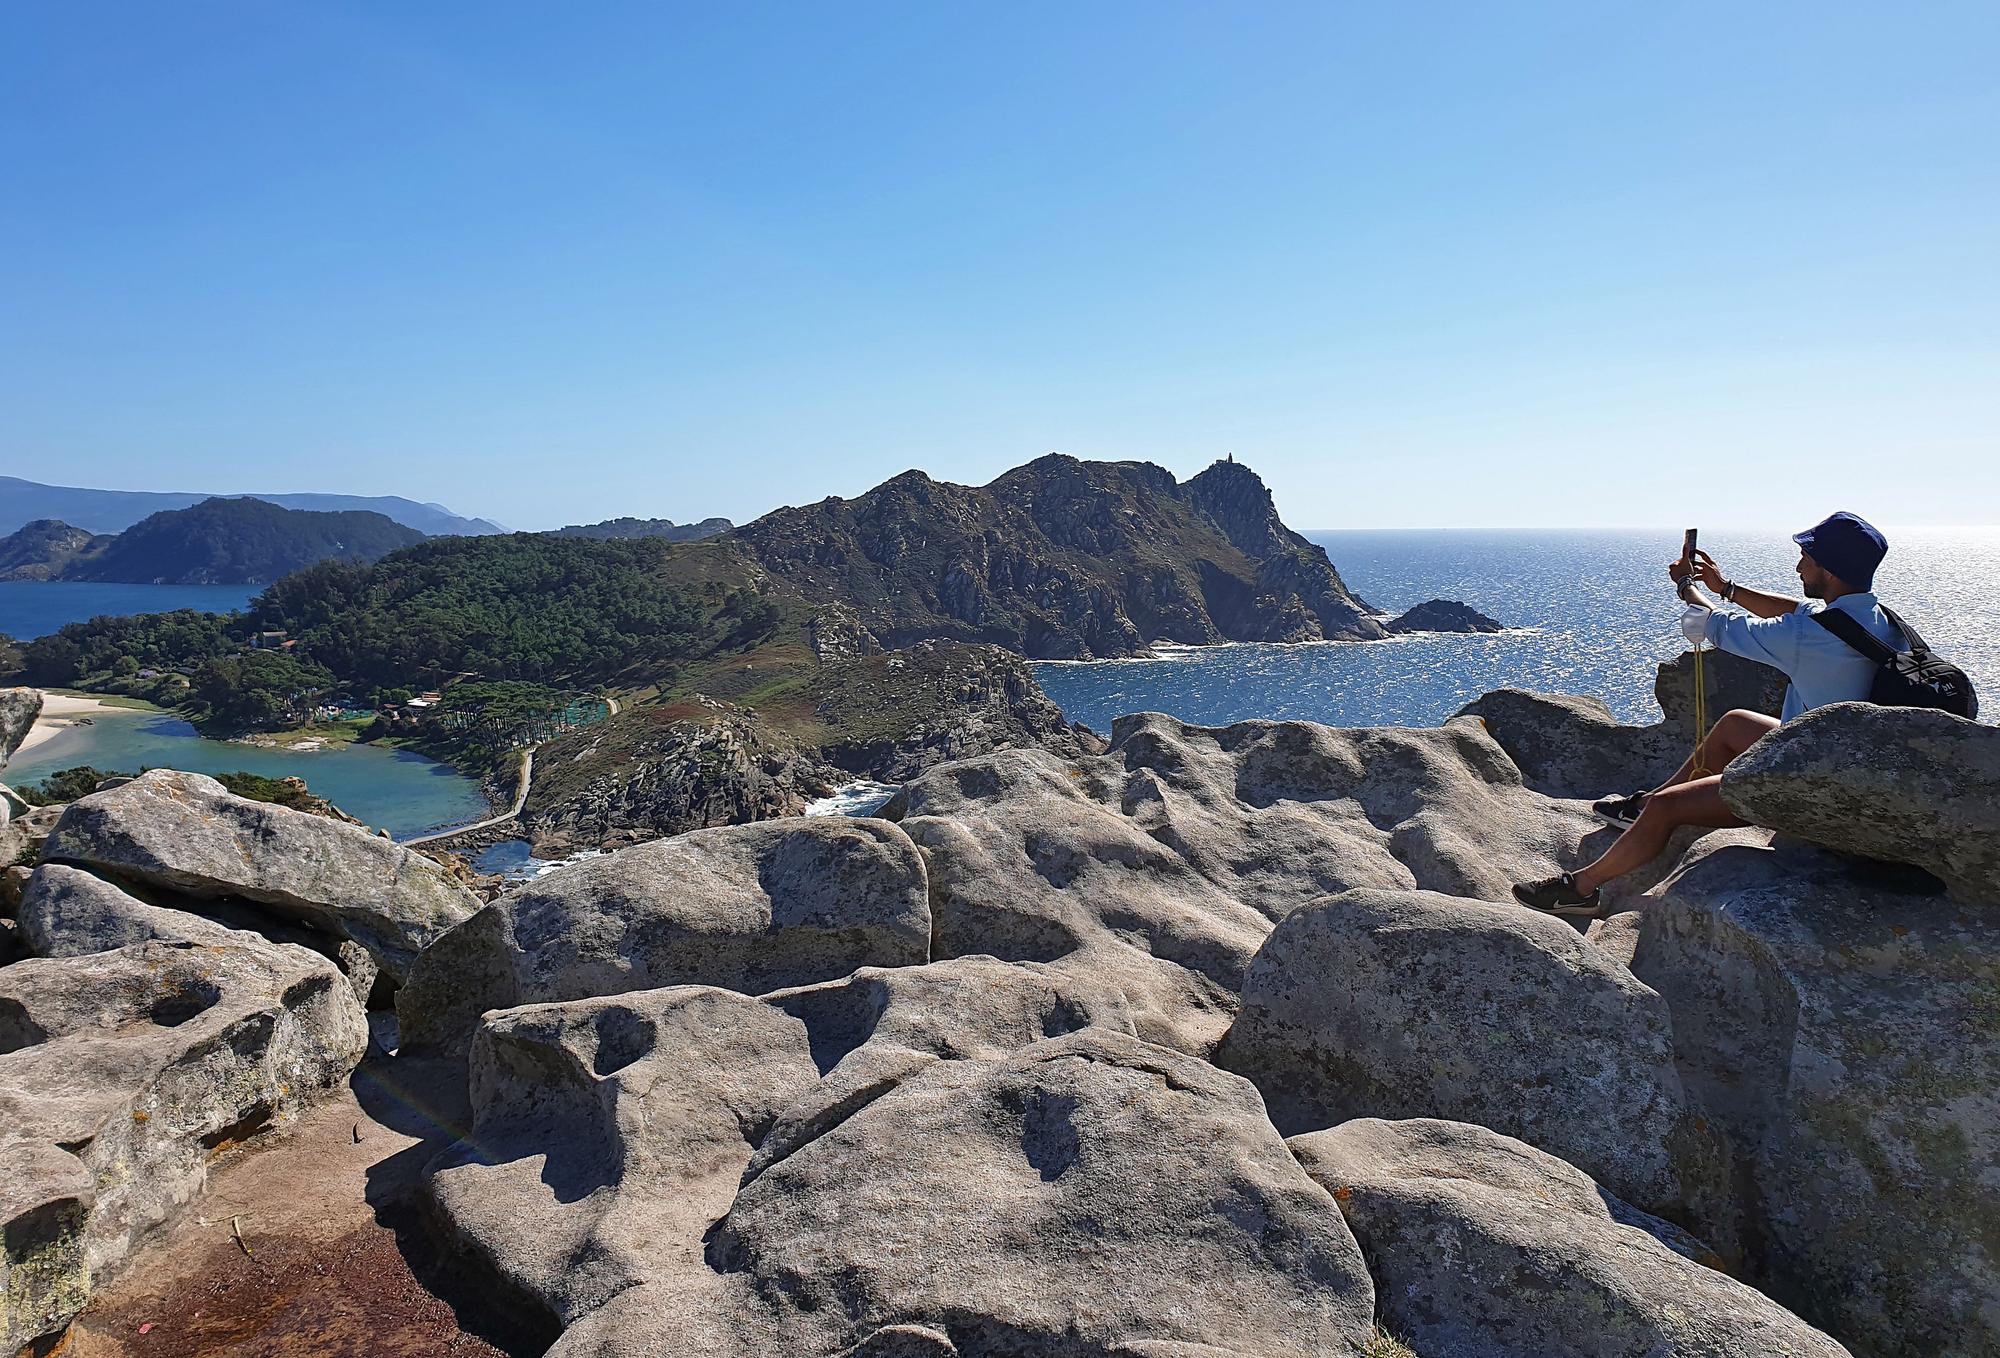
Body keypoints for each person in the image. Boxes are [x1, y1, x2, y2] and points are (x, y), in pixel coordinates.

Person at [1511, 511, 1902, 917]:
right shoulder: (1882, 622)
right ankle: (1641, 808)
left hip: (1807, 787)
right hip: (1848, 766)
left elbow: (1711, 624)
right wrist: (1725, 587)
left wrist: (1687, 586)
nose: (1799, 565)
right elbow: (1795, 610)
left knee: (1670, 809)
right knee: (1736, 723)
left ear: (1830, 570)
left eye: (1806, 556)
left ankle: (1582, 888)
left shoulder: (1811, 637)